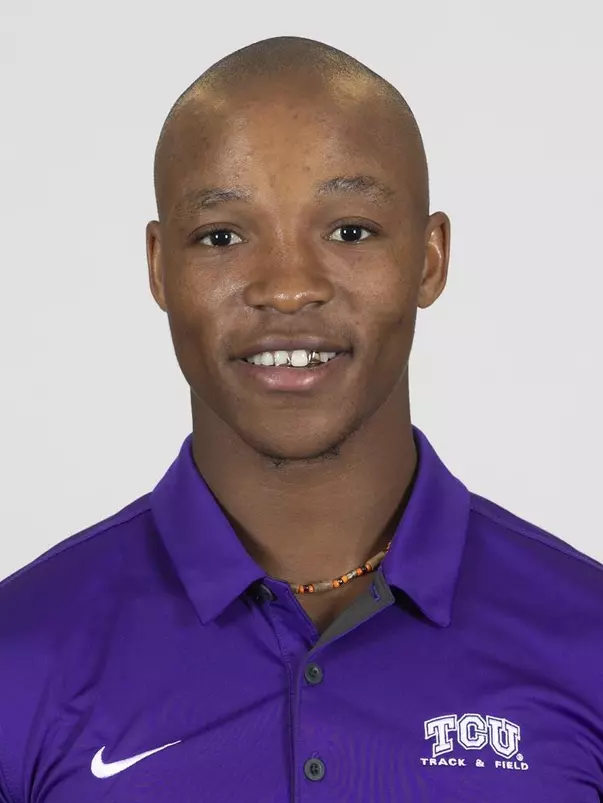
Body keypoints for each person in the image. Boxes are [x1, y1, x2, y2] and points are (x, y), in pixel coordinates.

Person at [1, 35, 602, 803]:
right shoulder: (17, 658)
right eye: (221, 236)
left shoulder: (587, 640)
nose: (287, 288)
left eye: (349, 230)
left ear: (429, 257)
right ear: (159, 267)